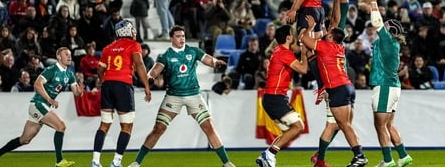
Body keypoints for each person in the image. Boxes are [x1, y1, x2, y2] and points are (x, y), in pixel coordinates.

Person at [127, 25, 235, 167]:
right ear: (171, 38)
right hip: (174, 96)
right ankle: (137, 162)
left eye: (183, 36)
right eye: (178, 36)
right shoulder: (166, 55)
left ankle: (226, 163)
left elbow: (208, 59)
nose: (181, 39)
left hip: (194, 95)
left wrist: (216, 63)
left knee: (209, 126)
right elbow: (155, 70)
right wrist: (150, 77)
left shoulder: (192, 51)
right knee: (158, 129)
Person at [0, 47, 83, 167]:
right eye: (66, 54)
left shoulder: (69, 74)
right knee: (61, 126)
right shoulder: (51, 70)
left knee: (25, 139)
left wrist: (80, 90)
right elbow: (37, 84)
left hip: (43, 106)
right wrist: (49, 99)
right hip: (38, 104)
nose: (69, 57)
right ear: (58, 57)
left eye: (70, 54)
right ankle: (59, 161)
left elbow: (76, 93)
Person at [299, 9, 368, 167]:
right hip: (348, 87)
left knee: (344, 125)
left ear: (331, 37)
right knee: (339, 125)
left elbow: (303, 38)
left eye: (328, 34)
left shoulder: (325, 47)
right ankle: (321, 159)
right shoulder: (340, 48)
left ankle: (359, 155)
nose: (326, 34)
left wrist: (310, 27)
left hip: (337, 89)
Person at [90, 20, 151, 167]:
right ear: (128, 31)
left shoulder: (108, 48)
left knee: (104, 125)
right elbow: (140, 65)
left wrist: (104, 80)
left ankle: (95, 161)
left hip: (107, 85)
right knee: (127, 127)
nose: (134, 32)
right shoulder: (134, 45)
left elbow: (100, 70)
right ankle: (116, 162)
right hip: (123, 85)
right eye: (133, 29)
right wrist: (147, 86)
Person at [367, 0, 413, 167]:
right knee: (388, 125)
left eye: (386, 27)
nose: (383, 28)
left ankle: (388, 160)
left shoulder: (387, 40)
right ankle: (403, 156)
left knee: (380, 125)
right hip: (393, 86)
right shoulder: (392, 44)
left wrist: (373, 0)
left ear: (391, 31)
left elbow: (376, 22)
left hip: (385, 85)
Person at [256, 25, 308, 167]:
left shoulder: (278, 51)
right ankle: (270, 153)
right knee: (298, 127)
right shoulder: (284, 53)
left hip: (272, 97)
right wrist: (304, 53)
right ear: (288, 38)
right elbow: (303, 69)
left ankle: (265, 156)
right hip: (275, 97)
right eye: (293, 35)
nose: (295, 37)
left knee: (289, 131)